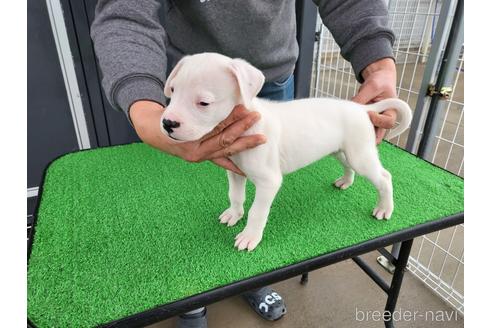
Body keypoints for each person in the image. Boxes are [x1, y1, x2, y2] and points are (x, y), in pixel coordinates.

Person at [91, 1, 398, 326]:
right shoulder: (194, 76)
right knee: (233, 161)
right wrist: (144, 109)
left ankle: (384, 189)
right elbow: (125, 12)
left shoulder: (257, 116)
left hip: (288, 78)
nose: (172, 115)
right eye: (173, 94)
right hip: (208, 66)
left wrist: (377, 62)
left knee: (357, 160)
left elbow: (270, 180)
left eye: (202, 103)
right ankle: (194, 300)